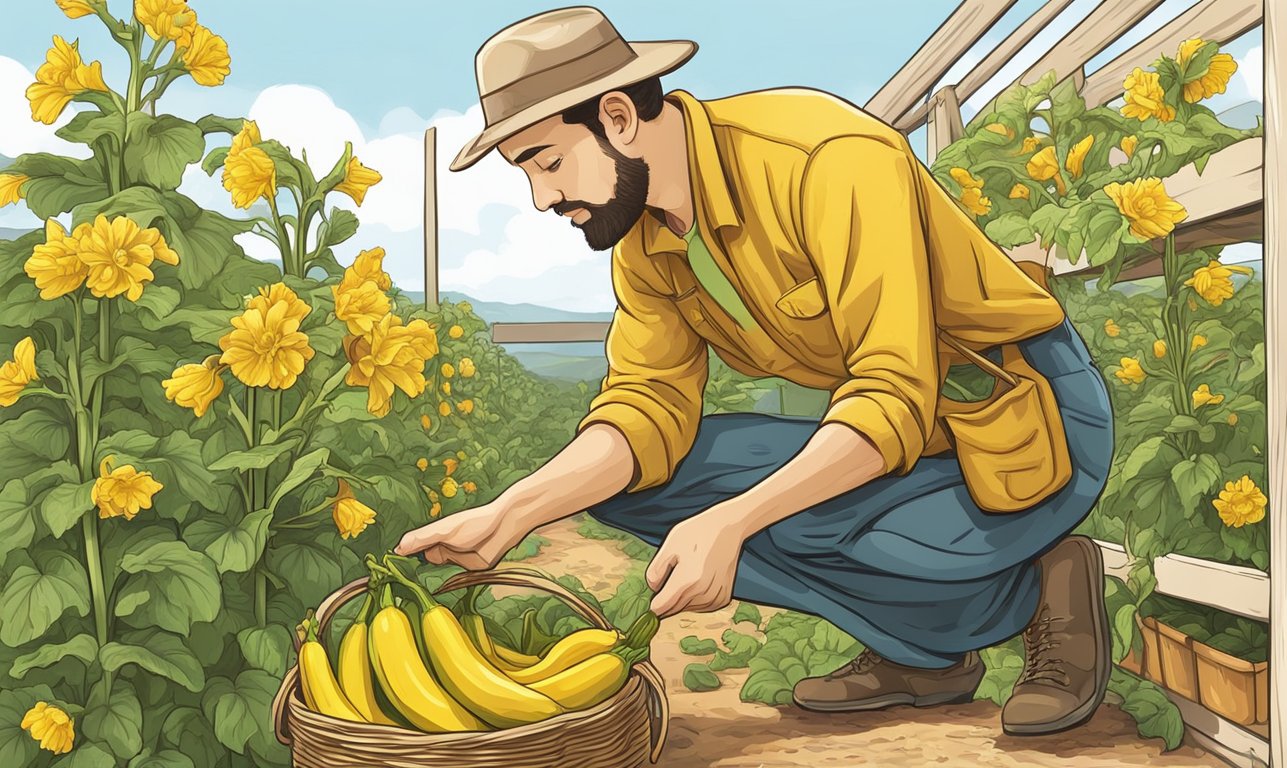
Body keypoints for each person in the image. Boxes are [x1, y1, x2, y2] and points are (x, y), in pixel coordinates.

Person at [396, 6, 1117, 736]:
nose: (543, 197)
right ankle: (924, 656)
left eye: (548, 162)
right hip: (908, 435)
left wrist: (737, 520)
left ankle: (1046, 583)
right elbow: (645, 407)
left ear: (617, 117)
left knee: (778, 519)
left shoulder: (829, 158)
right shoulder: (643, 240)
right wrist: (511, 513)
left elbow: (892, 387)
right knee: (642, 491)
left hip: (1021, 413)